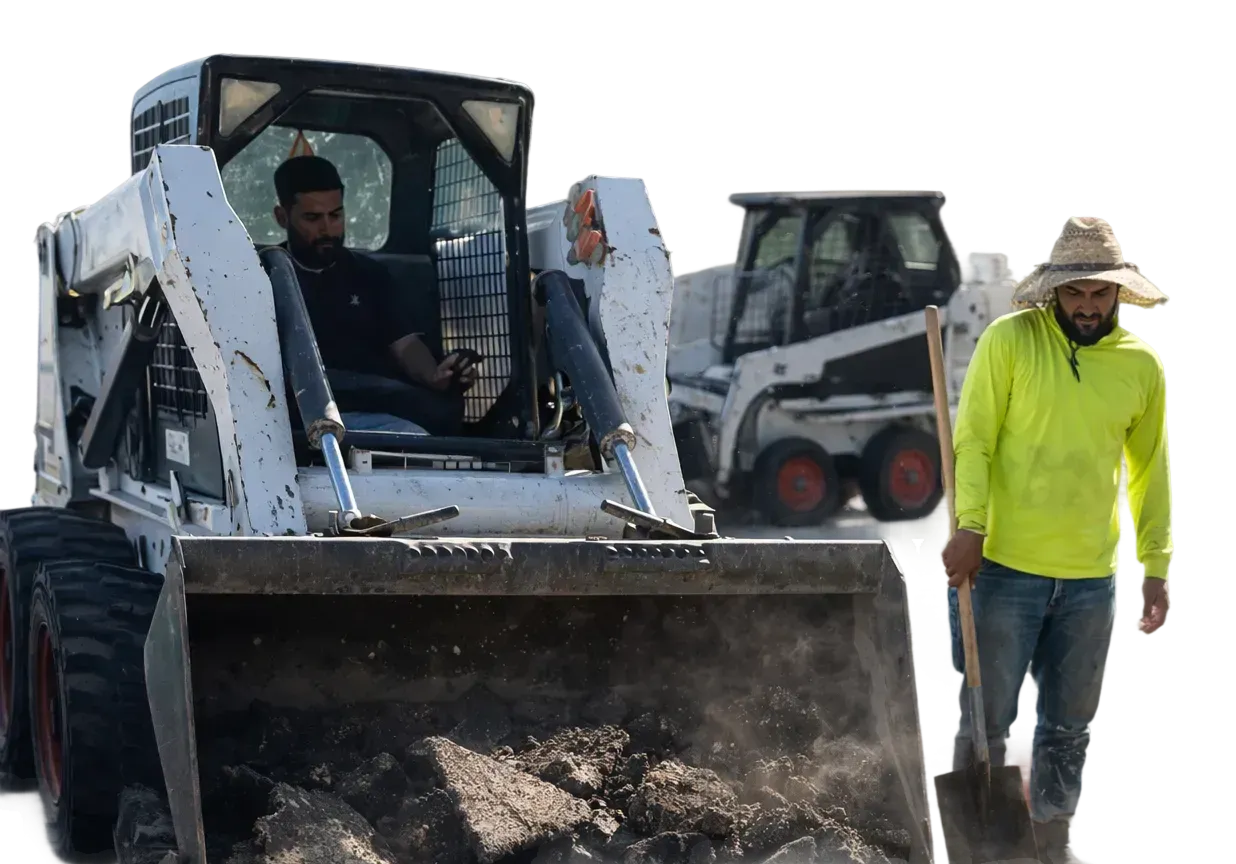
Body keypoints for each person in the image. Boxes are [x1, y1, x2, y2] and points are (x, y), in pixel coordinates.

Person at [938, 216, 1173, 864]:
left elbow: (1151, 470)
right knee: (986, 724)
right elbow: (974, 440)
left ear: (1119, 294)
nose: (1090, 307)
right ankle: (975, 851)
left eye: (1101, 295)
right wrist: (972, 526)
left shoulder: (1140, 366)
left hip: (1091, 581)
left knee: (1068, 729)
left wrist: (1154, 563)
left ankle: (1050, 847)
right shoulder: (1008, 343)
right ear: (1054, 291)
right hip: (1003, 573)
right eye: (1078, 295)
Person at [270, 154, 478, 436]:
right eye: (312, 218)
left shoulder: (369, 275)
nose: (326, 229)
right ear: (282, 217)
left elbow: (405, 345)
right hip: (297, 416)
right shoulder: (266, 275)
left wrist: (434, 375)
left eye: (336, 215)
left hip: (377, 408)